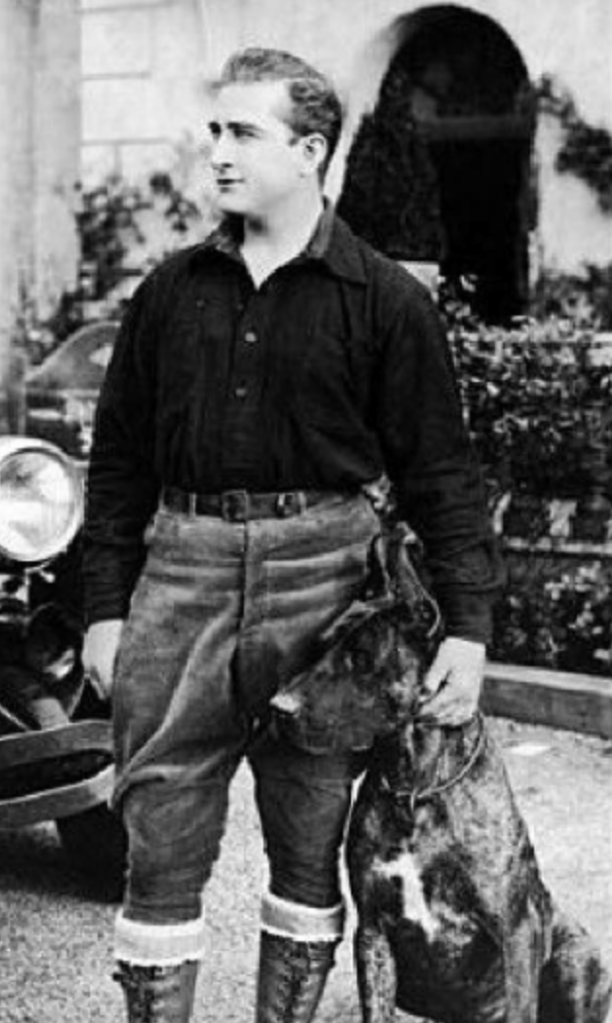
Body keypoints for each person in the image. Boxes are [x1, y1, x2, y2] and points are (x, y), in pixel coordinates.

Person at [82, 46, 503, 1023]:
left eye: (244, 132)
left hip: (327, 589)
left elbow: (442, 474)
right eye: (215, 130)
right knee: (159, 841)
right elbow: (117, 469)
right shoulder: (168, 293)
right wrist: (104, 609)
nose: (219, 152)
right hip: (181, 575)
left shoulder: (385, 300)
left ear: (310, 151)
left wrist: (468, 628)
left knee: (309, 843)